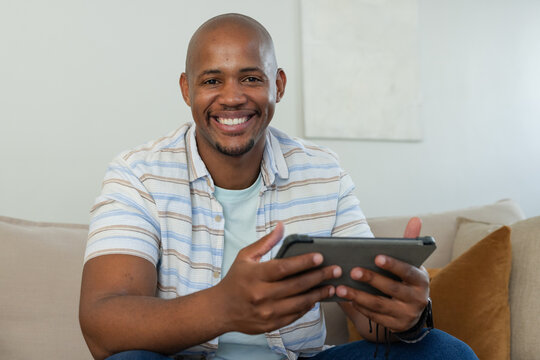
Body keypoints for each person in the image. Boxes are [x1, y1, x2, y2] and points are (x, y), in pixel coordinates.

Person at [79, 13, 478, 360]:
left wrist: (405, 315)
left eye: (251, 78)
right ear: (187, 89)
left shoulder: (323, 171)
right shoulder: (137, 174)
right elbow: (102, 325)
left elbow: (370, 324)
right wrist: (224, 307)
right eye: (212, 80)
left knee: (444, 352)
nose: (232, 97)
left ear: (278, 85)